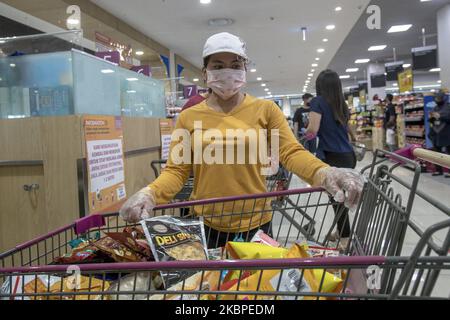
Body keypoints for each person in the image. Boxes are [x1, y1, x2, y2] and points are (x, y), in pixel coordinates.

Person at [119, 33, 364, 248]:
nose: (228, 71)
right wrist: (150, 193)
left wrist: (325, 173)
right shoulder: (188, 117)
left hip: (257, 223)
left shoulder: (265, 110)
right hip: (207, 223)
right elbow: (177, 170)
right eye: (218, 65)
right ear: (205, 73)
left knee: (256, 292)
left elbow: (290, 152)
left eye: (235, 64)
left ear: (244, 70)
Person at [305, 69, 357, 243]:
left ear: (320, 86)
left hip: (331, 156)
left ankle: (345, 237)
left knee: (337, 200)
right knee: (340, 198)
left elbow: (313, 129)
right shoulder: (341, 103)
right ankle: (342, 232)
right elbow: (348, 127)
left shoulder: (317, 102)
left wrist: (303, 135)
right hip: (348, 155)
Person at [429, 91, 450, 178]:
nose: (437, 100)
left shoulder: (448, 107)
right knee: (437, 152)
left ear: (443, 98)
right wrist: (432, 118)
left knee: (449, 152)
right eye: (436, 98)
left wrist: (440, 116)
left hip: (447, 133)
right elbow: (431, 121)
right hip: (436, 133)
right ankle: (438, 170)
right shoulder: (435, 108)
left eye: (439, 98)